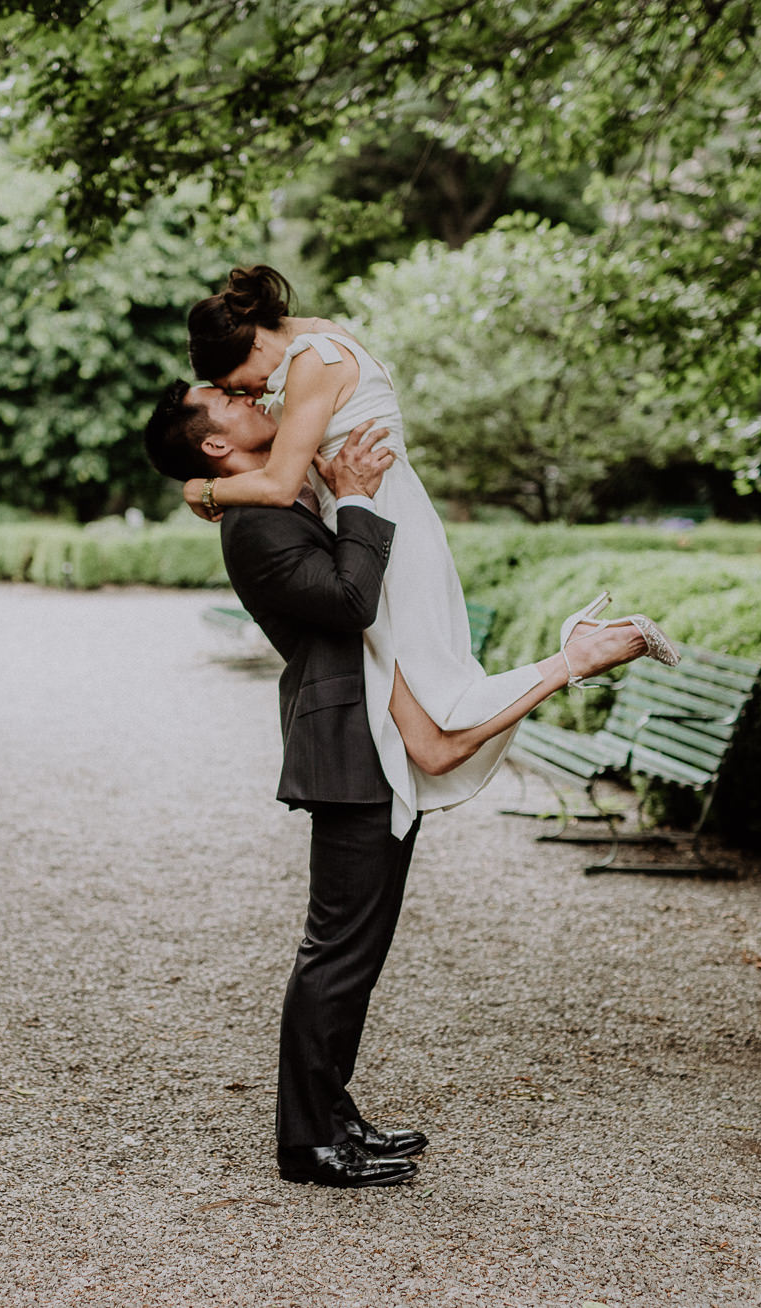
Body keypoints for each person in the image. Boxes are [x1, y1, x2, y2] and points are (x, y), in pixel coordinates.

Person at [142, 382, 648, 1188]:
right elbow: (349, 602)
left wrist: (277, 487)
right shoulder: (255, 527)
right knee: (336, 954)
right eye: (232, 399)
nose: (254, 395)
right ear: (213, 441)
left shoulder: (261, 497)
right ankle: (306, 1142)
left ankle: (333, 1115)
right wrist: (354, 501)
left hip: (368, 737)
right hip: (347, 748)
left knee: (357, 953)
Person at [180, 265, 678, 841]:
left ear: (254, 340)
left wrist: (204, 489)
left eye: (239, 382)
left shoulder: (314, 360)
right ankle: (577, 653)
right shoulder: (318, 340)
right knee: (428, 746)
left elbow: (278, 485)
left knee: (436, 728)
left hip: (378, 530)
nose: (251, 394)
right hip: (369, 522)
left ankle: (581, 656)